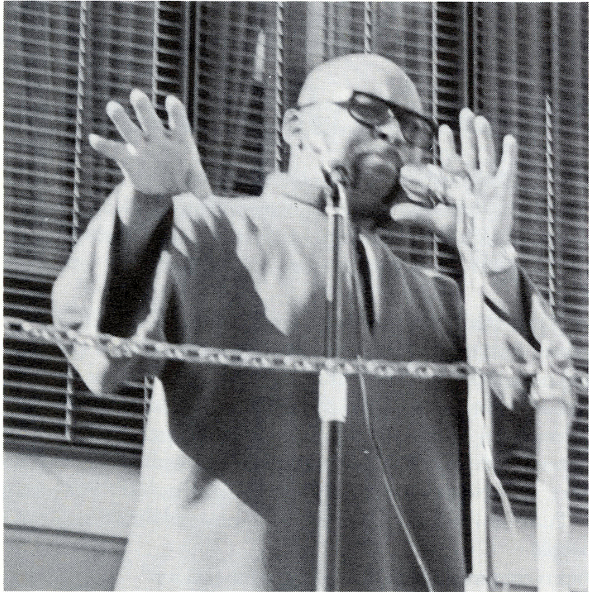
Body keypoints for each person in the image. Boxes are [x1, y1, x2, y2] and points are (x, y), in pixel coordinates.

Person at [52, 53, 571, 591]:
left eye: (412, 128)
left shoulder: (440, 301)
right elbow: (97, 344)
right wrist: (143, 205)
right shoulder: (214, 230)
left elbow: (540, 413)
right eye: (368, 110)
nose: (394, 133)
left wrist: (492, 256)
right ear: (295, 127)